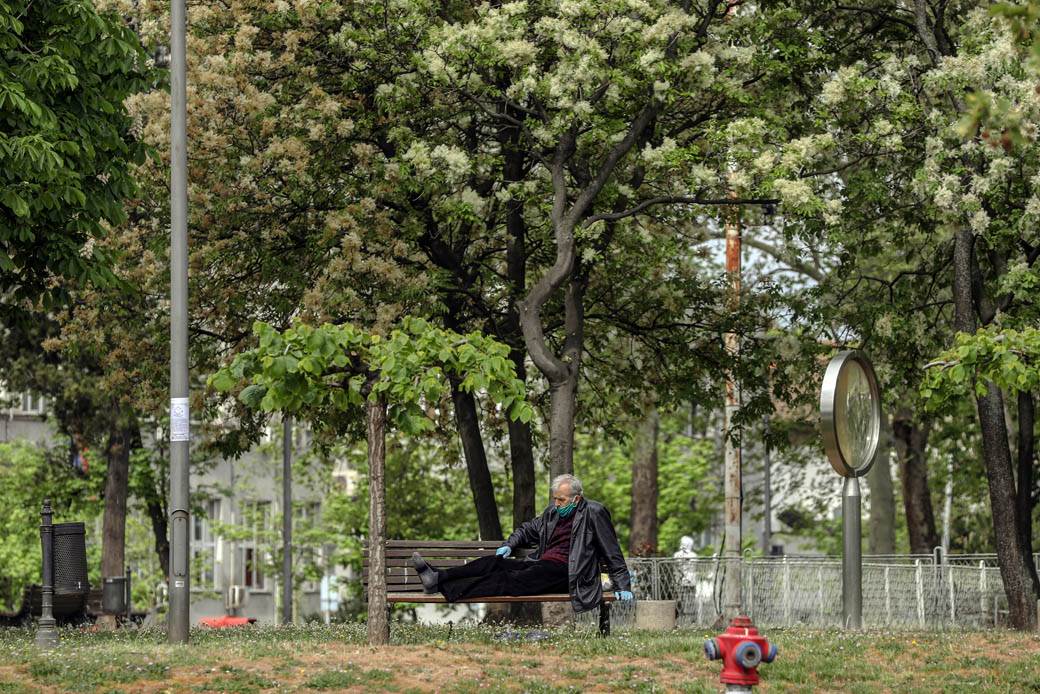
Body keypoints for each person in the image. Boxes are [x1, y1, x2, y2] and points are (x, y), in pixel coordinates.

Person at [411, 474, 634, 613]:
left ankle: (443, 588)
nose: (556, 504)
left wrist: (623, 585)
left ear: (576, 499)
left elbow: (612, 552)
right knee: (494, 562)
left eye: (561, 500)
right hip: (543, 565)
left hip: (569, 573)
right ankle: (438, 577)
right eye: (555, 499)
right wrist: (510, 543)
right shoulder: (552, 513)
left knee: (507, 580)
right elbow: (528, 529)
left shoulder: (594, 513)